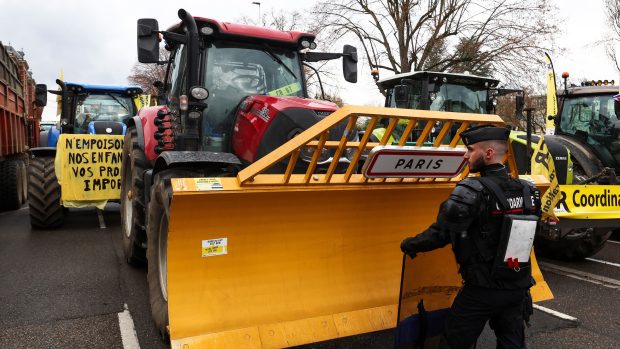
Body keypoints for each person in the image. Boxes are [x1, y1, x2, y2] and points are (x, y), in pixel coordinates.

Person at [400, 125, 541, 349]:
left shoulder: (471, 190)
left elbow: (442, 233)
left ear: (488, 154)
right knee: (512, 343)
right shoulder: (527, 191)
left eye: (470, 150)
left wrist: (410, 244)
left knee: (454, 342)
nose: (465, 155)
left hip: (481, 290)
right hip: (517, 287)